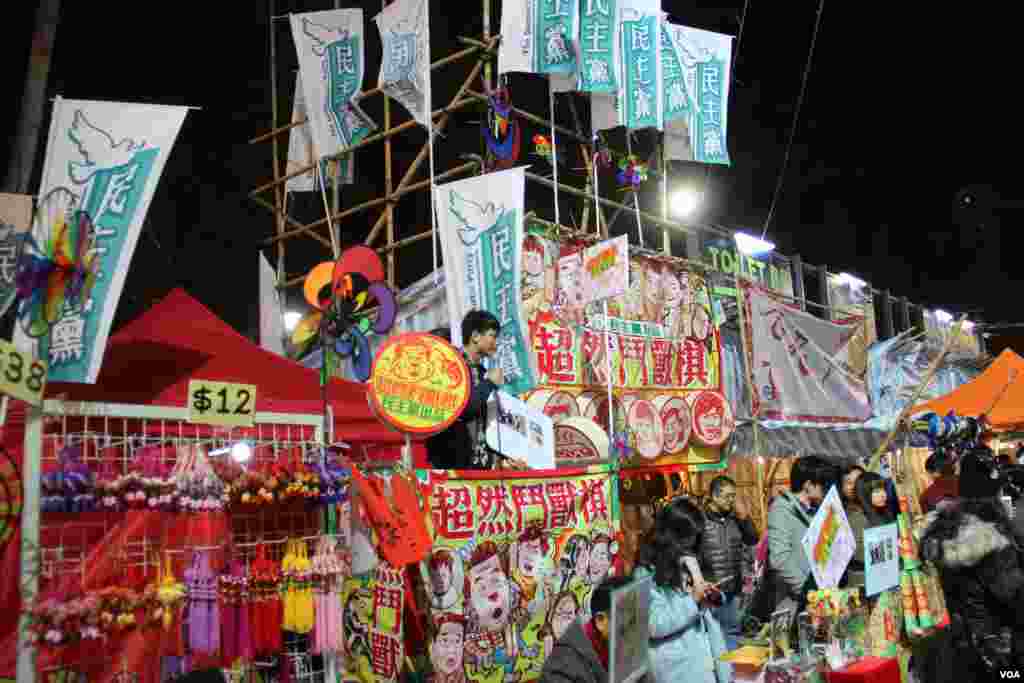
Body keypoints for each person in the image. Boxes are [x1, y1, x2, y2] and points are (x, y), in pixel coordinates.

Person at [916, 498, 1024, 683]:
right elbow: (1012, 596)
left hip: (972, 633)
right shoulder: (994, 551)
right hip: (1001, 634)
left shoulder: (945, 545)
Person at [635, 497, 733, 683]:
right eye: (686, 540)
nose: (691, 545)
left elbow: (704, 610)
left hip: (708, 662)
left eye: (694, 539)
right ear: (671, 536)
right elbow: (653, 625)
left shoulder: (690, 561)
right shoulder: (646, 573)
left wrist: (713, 596)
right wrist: (693, 600)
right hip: (678, 670)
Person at [425, 311, 527, 470]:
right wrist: (489, 383)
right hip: (453, 465)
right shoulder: (451, 365)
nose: (496, 342)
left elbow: (488, 419)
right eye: (492, 336)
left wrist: (507, 455)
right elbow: (463, 408)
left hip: (479, 464)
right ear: (475, 336)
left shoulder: (481, 371)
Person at [766, 455, 837, 615]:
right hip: (796, 600)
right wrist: (808, 592)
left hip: (820, 596)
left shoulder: (817, 510)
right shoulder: (781, 509)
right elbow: (780, 558)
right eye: (823, 485)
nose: (827, 490)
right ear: (808, 485)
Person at [699, 475, 758, 650]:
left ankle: (730, 674)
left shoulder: (735, 518)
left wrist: (745, 517)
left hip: (734, 589)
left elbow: (753, 538)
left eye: (734, 496)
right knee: (711, 638)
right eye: (728, 496)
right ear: (714, 496)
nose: (732, 500)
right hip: (711, 591)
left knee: (732, 635)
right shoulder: (700, 520)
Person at [539, 575, 631, 683]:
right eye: (629, 620)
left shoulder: (621, 645)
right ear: (601, 621)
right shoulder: (561, 668)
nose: (636, 627)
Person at [840, 465, 867, 587]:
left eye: (858, 482)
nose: (853, 487)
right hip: (856, 582)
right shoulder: (838, 514)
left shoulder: (881, 509)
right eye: (848, 482)